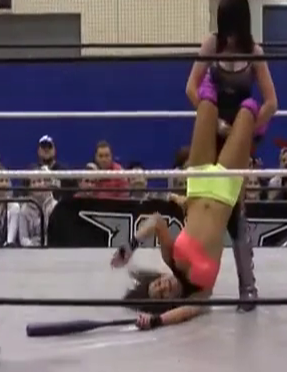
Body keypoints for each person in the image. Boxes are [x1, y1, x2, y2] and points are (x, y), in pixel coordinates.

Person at [111, 78, 263, 329]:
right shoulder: (200, 293)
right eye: (162, 294)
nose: (163, 286)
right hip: (225, 189)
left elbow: (156, 221)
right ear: (170, 303)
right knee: (249, 108)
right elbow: (188, 312)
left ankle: (222, 70)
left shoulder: (172, 260)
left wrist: (131, 245)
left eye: (157, 284)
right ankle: (243, 128)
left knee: (207, 97)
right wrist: (157, 321)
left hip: (199, 182)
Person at [184, 0, 278, 309]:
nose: (229, 32)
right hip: (213, 129)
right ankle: (190, 278)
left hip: (239, 133)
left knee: (234, 207)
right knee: (199, 200)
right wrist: (211, 119)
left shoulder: (254, 52)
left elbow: (271, 102)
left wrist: (248, 130)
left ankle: (247, 287)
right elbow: (191, 88)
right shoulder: (212, 45)